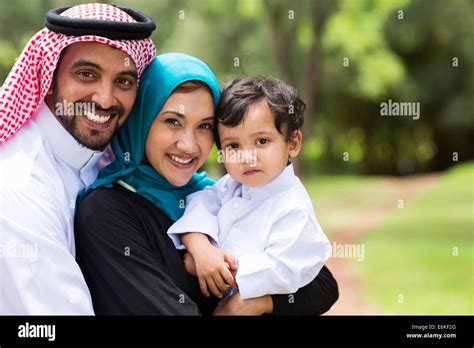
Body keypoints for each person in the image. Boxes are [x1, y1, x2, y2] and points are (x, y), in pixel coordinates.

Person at [74, 53, 339, 315]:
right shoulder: (104, 213)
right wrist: (197, 245)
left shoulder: (212, 189)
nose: (189, 145)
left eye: (204, 126)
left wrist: (254, 301)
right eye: (172, 121)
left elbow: (322, 284)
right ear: (142, 120)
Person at [0, 3, 156, 314]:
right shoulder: (20, 186)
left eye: (123, 81)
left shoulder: (106, 158)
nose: (105, 99)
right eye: (87, 74)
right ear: (47, 75)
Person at [167, 76, 332, 303]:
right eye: (233, 145)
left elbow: (282, 269)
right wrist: (200, 248)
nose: (247, 157)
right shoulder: (230, 185)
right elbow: (199, 206)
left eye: (262, 141)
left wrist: (214, 269)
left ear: (292, 144)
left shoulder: (294, 210)